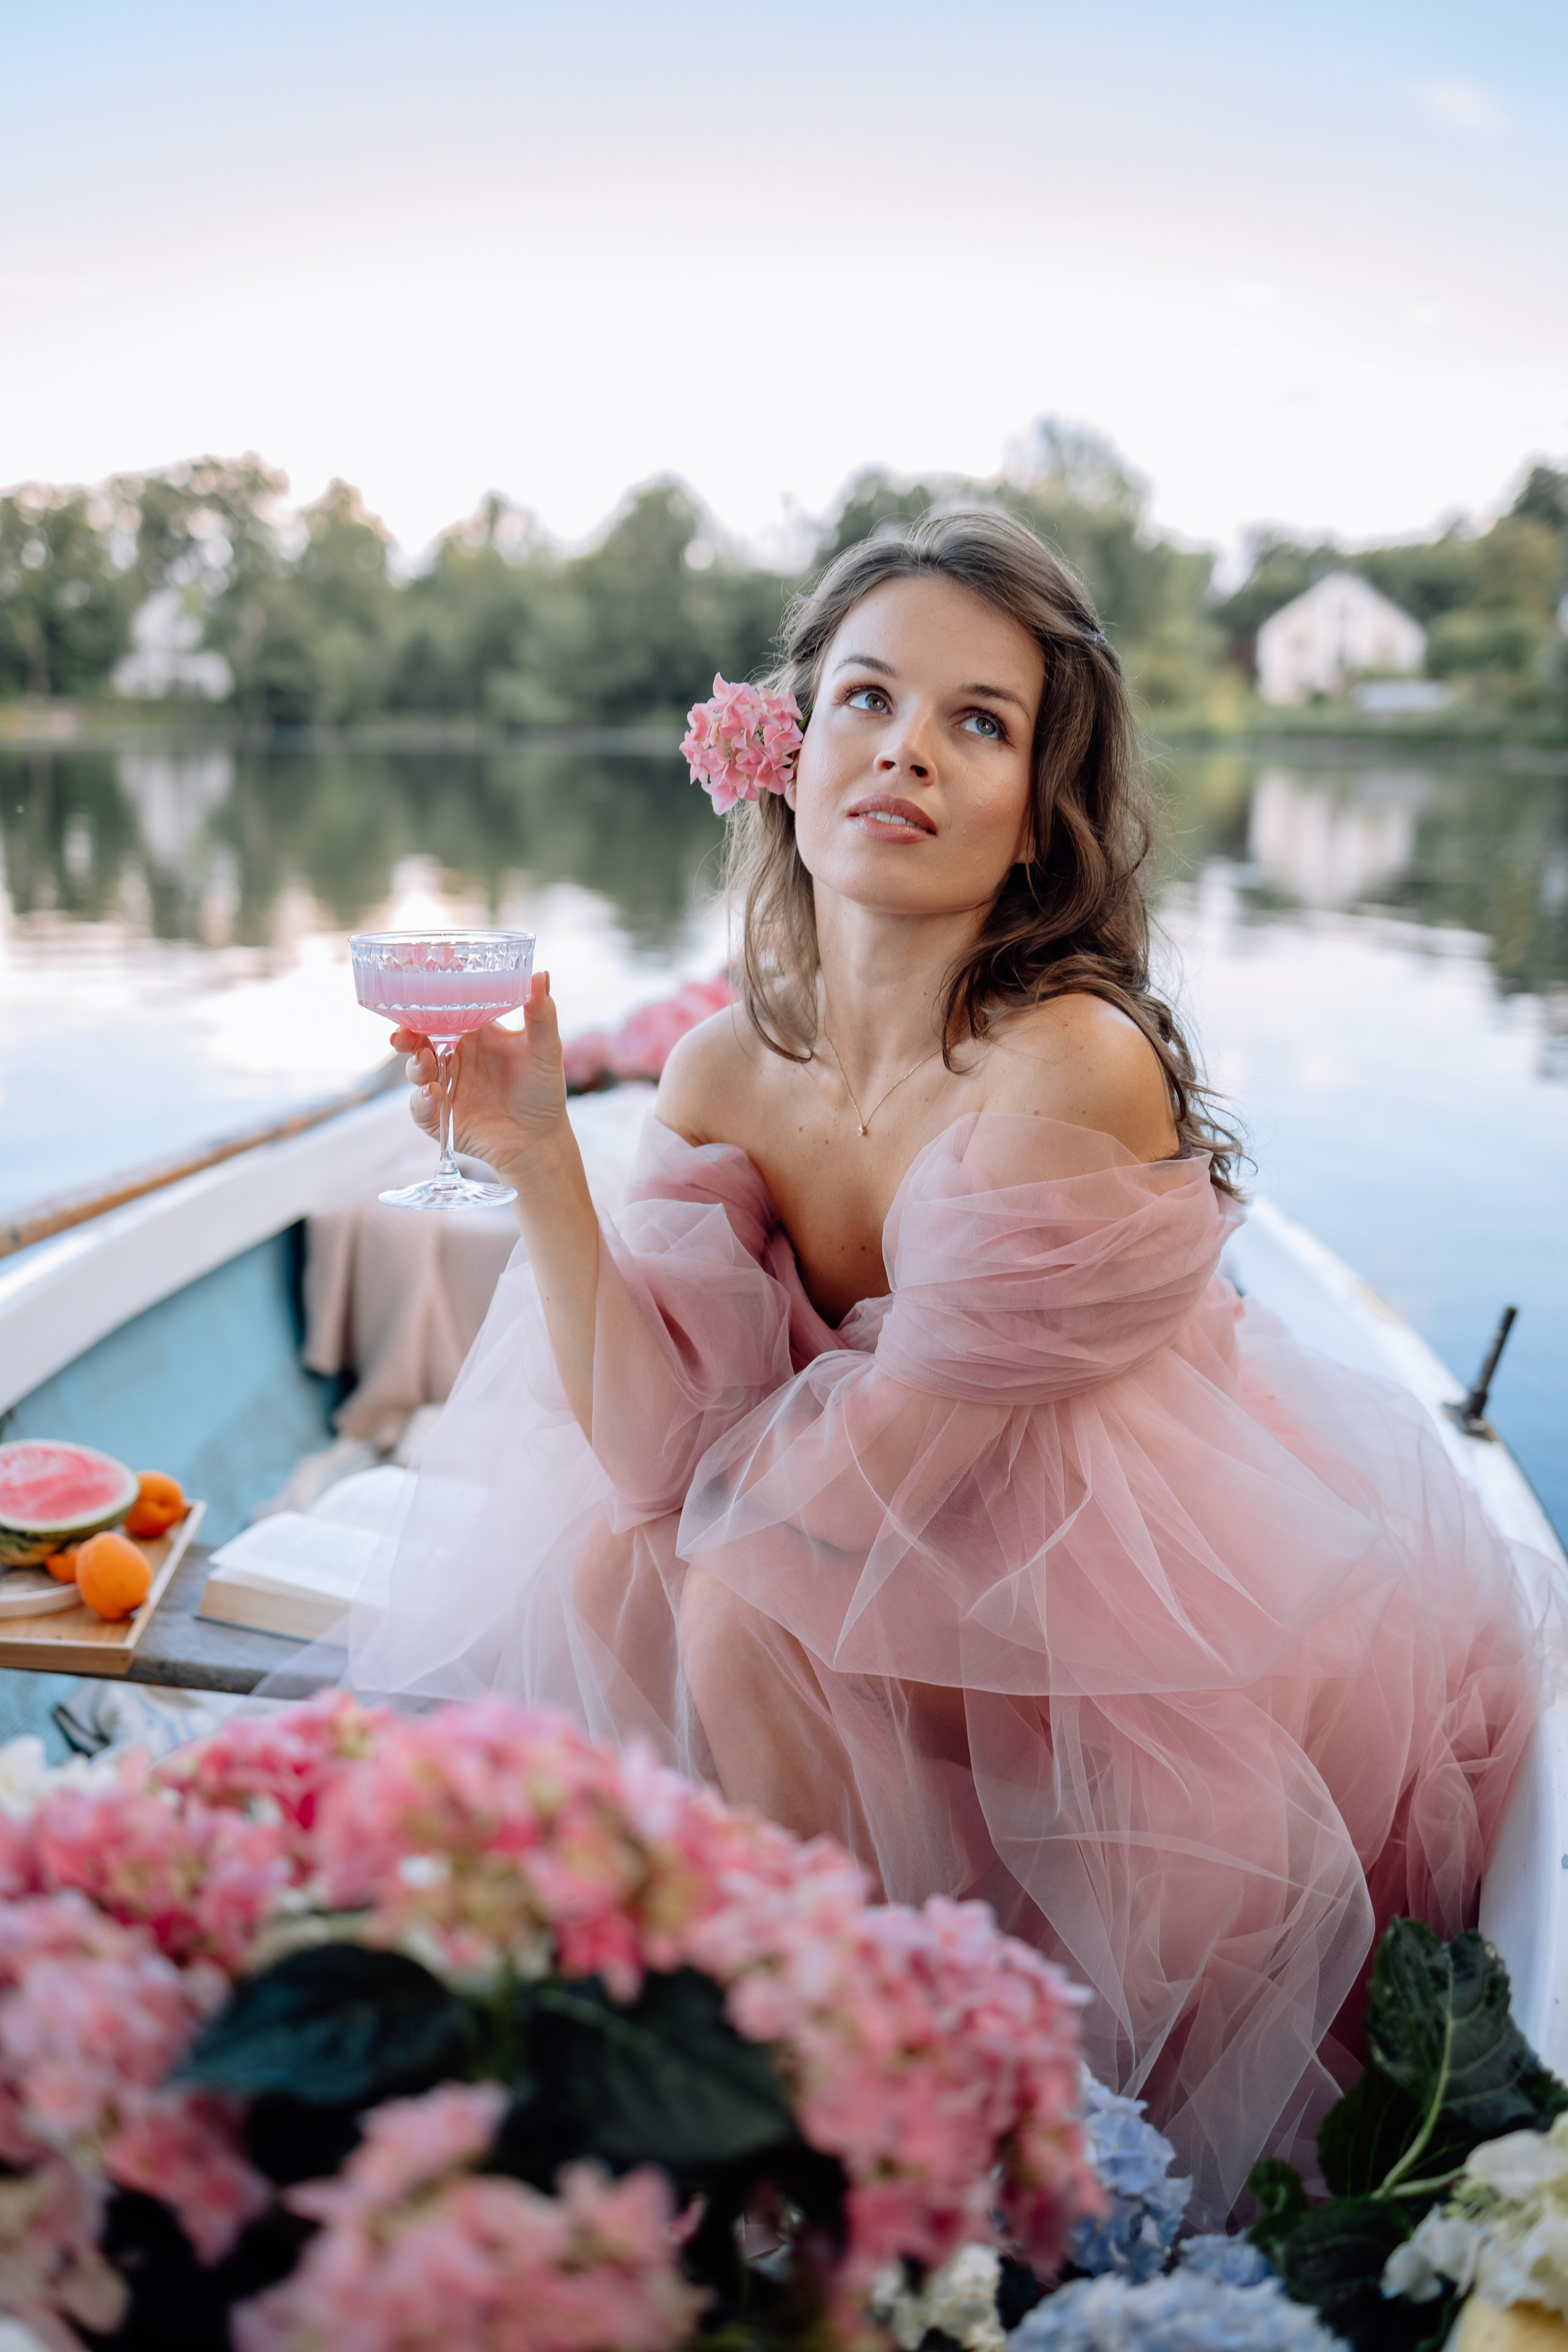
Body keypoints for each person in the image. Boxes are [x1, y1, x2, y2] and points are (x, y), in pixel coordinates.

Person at [365, 508, 1547, 2223]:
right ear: (782, 751)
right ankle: (764, 2041)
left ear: (1033, 809)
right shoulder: (720, 1070)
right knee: (645, 1566)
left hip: (1108, 1630)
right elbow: (647, 1457)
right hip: (856, 1581)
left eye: (978, 721)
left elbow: (866, 1490)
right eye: (865, 697)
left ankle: (853, 2107)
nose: (906, 745)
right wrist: (547, 1164)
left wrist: (702, 1517)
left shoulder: (1067, 1065)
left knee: (721, 1600)